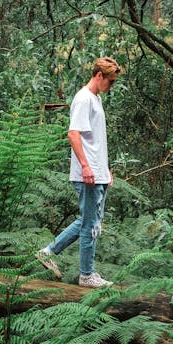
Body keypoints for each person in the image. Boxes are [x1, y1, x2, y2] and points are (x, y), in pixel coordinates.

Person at [37, 56, 122, 287]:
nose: (111, 86)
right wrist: (86, 167)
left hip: (98, 172)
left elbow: (95, 140)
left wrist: (105, 170)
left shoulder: (96, 99)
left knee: (90, 222)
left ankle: (47, 252)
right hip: (88, 174)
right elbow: (73, 134)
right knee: (90, 225)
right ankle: (86, 275)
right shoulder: (83, 99)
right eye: (110, 81)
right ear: (98, 75)